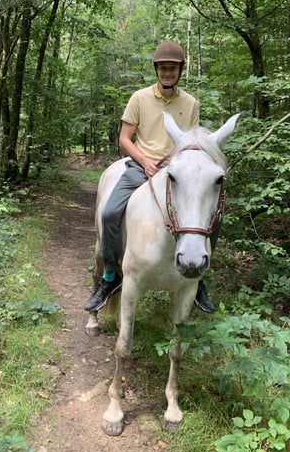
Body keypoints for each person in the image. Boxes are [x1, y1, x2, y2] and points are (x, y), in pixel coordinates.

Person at [84, 41, 217, 314]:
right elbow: (124, 138)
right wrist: (145, 162)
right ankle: (109, 276)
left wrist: (177, 163)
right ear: (156, 69)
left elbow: (192, 143)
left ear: (180, 70)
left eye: (173, 68)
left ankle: (198, 279)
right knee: (110, 212)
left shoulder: (191, 103)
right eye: (163, 67)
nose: (168, 72)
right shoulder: (139, 98)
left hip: (175, 170)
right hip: (139, 165)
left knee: (214, 217)